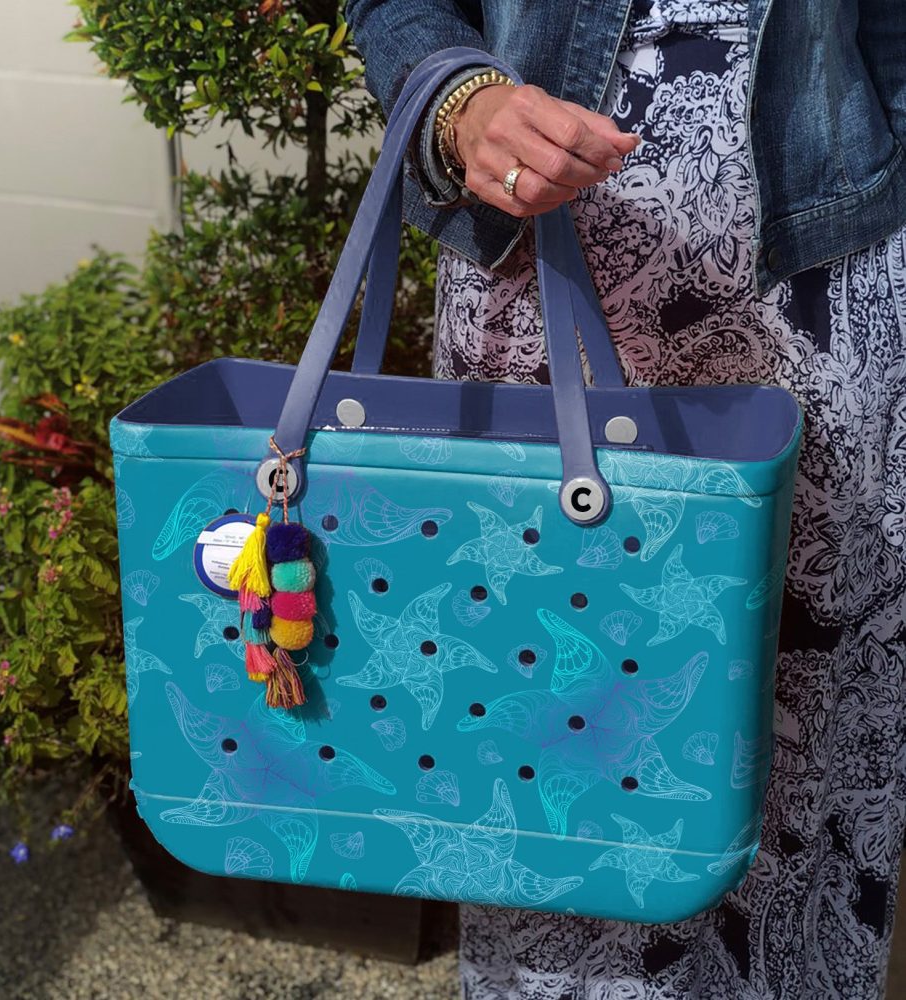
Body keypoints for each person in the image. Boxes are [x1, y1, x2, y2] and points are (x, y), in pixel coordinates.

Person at [345, 1, 906, 997]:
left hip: (826, 290)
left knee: (808, 759)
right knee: (540, 753)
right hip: (536, 277)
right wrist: (461, 104)